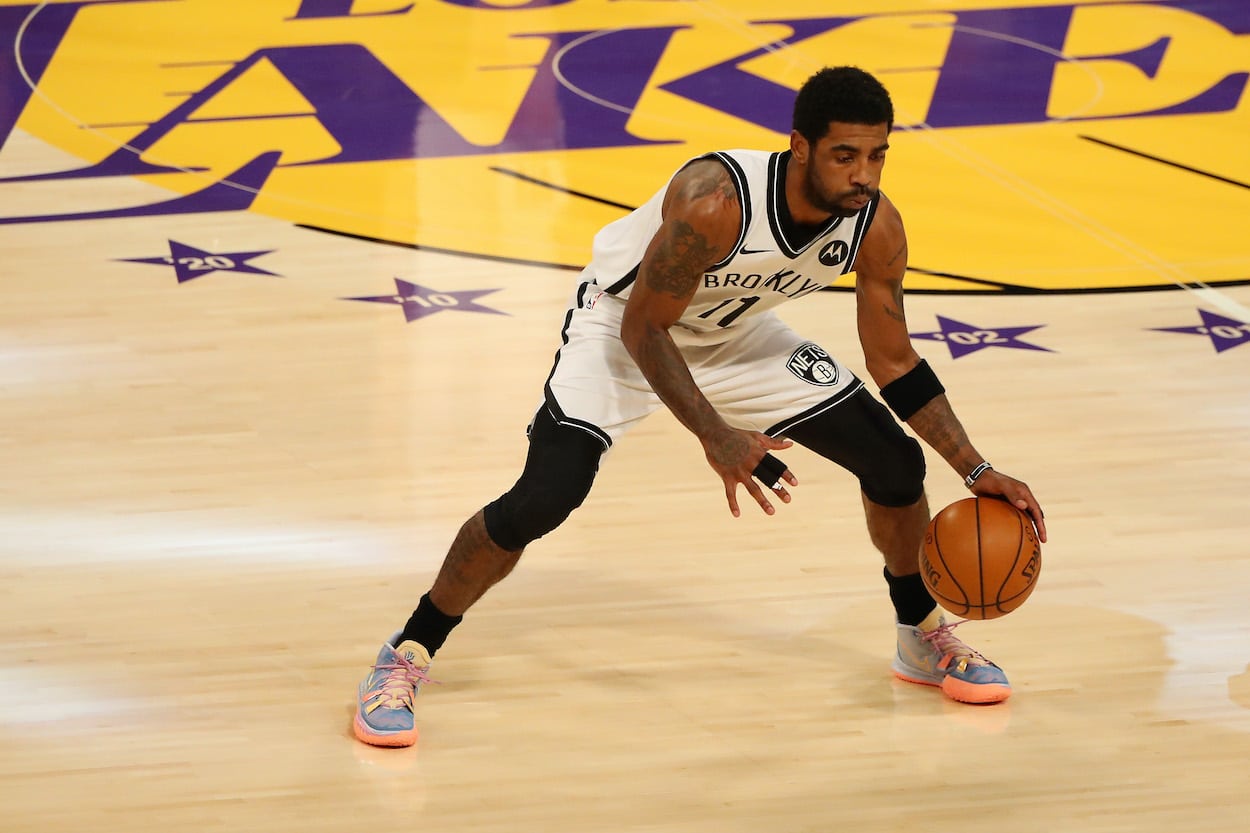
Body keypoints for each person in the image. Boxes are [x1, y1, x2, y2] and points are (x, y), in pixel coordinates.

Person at [352, 65, 1048, 748]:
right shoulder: (716, 201)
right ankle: (409, 648)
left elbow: (893, 359)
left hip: (733, 335)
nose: (863, 174)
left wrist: (974, 467)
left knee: (895, 464)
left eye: (876, 155)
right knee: (546, 495)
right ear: (800, 147)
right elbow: (644, 330)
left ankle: (920, 637)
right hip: (625, 325)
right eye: (845, 155)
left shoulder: (875, 224)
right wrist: (716, 435)